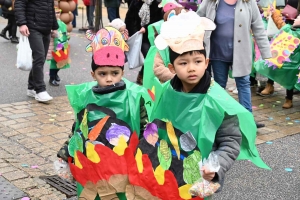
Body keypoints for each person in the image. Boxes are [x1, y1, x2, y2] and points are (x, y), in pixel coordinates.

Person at [150, 11, 269, 197]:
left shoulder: (217, 101)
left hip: (202, 177)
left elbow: (230, 142)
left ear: (206, 63)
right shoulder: (168, 91)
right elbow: (157, 126)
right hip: (168, 171)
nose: (191, 68)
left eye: (197, 61)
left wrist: (215, 167)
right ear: (172, 68)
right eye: (183, 63)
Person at [57, 26, 149, 163]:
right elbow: (78, 129)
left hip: (125, 160)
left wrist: (144, 156)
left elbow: (144, 128)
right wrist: (65, 154)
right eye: (102, 74)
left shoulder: (134, 97)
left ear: (122, 73)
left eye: (115, 73)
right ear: (93, 75)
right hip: (94, 161)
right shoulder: (86, 97)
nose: (109, 79)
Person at [197, 0, 272, 128]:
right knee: (219, 86)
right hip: (218, 52)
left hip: (241, 52)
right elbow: (197, 21)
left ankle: (247, 121)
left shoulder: (248, 2)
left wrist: (266, 53)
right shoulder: (211, 1)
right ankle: (220, 120)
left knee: (243, 83)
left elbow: (258, 27)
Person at [256, 4, 300, 109]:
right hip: (282, 58)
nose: (295, 18)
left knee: (290, 79)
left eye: (298, 18)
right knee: (271, 64)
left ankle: (289, 99)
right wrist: (274, 13)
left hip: (294, 64)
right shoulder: (288, 28)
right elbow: (280, 23)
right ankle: (269, 85)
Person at [14, 0, 58, 102]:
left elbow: (51, 8)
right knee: (39, 57)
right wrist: (22, 24)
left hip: (46, 29)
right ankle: (40, 90)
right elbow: (19, 3)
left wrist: (54, 27)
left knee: (40, 59)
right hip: (33, 27)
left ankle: (31, 87)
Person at [125, 0, 163, 85]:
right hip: (141, 37)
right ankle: (145, 77)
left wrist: (148, 28)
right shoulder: (135, 3)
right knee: (148, 54)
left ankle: (142, 75)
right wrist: (136, 31)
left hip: (153, 35)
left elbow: (159, 20)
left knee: (153, 56)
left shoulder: (157, 4)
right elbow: (129, 20)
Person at [48, 7, 71, 86]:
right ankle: (52, 78)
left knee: (61, 61)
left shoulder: (62, 23)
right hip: (55, 44)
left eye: (58, 13)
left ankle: (55, 74)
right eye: (55, 13)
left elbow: (65, 32)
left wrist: (67, 36)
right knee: (54, 62)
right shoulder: (50, 23)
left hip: (62, 44)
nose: (57, 14)